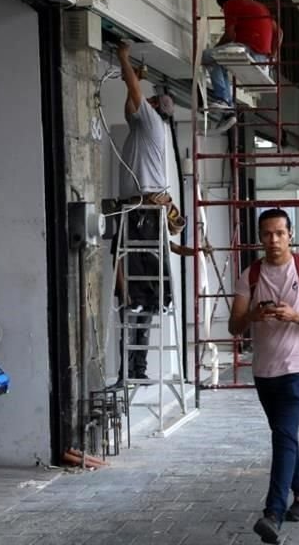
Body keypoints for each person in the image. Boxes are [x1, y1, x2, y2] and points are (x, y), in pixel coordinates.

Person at [228, 208, 299, 544]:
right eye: (266, 234)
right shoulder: (251, 275)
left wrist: (296, 317)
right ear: (260, 237)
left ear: (290, 235)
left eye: (279, 233)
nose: (273, 240)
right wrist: (255, 317)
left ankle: (273, 512)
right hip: (265, 371)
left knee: (283, 436)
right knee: (284, 435)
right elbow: (234, 325)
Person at [112, 43, 202, 383]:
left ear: (153, 107)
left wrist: (124, 60)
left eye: (145, 102)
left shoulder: (152, 124)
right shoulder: (143, 127)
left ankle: (136, 366)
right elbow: (129, 103)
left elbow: (133, 94)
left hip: (143, 207)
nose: (139, 104)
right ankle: (134, 368)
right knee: (135, 284)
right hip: (138, 206)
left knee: (137, 280)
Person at [201, 0, 282, 133]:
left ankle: (225, 101)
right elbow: (280, 33)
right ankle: (228, 109)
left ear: (223, 3)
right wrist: (272, 57)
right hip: (263, 58)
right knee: (221, 62)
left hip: (249, 49)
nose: (223, 11)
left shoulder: (231, 4)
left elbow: (230, 36)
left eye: (221, 8)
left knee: (208, 56)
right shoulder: (259, 7)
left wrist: (215, 48)